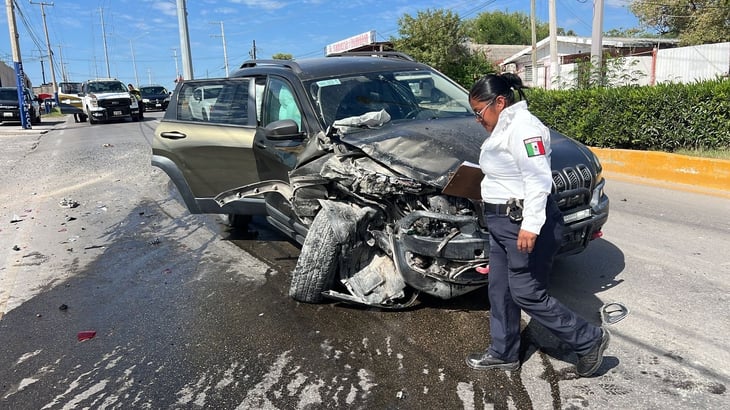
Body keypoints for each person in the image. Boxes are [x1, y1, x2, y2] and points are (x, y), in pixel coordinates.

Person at [465, 73, 610, 377]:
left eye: (479, 112)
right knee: (500, 290)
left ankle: (589, 339)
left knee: (526, 292)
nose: (478, 119)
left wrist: (530, 226)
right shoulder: (504, 127)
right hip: (501, 221)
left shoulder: (525, 129)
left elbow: (538, 179)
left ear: (500, 102)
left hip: (521, 223)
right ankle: (503, 352)